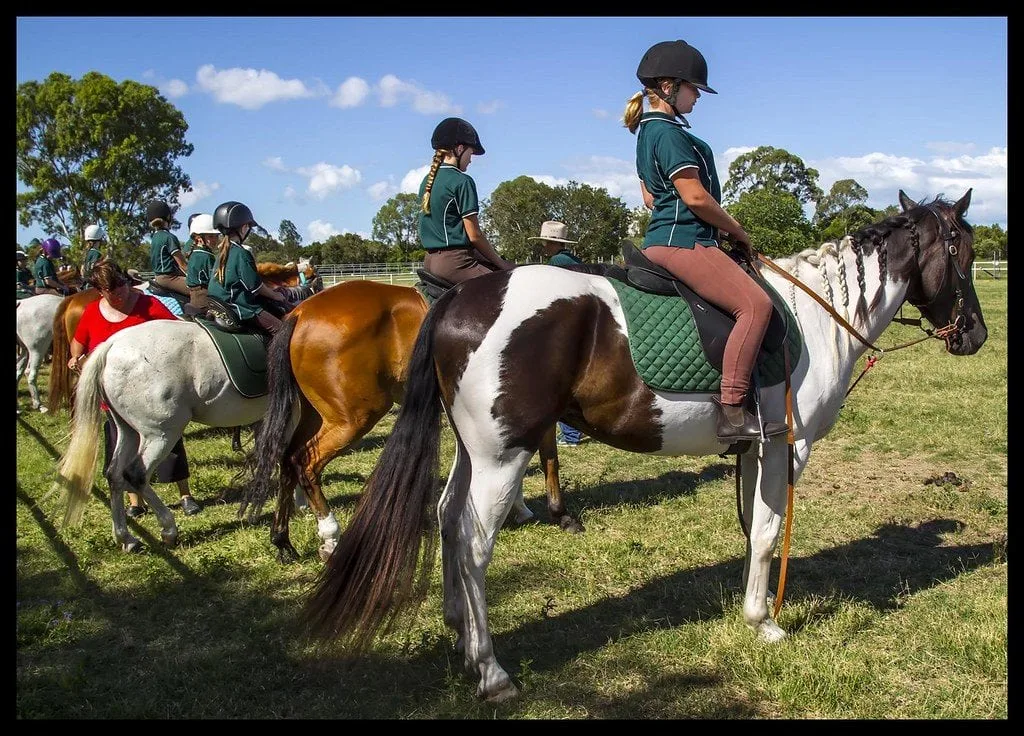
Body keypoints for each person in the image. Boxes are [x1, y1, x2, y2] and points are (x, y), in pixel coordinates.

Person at [624, 39, 786, 443]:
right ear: (668, 87)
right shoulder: (668, 133)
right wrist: (737, 230)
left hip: (662, 237)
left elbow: (649, 198)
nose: (698, 96)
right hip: (685, 239)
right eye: (694, 88)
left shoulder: (647, 132)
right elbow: (695, 197)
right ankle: (732, 412)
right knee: (755, 305)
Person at [67, 260, 201, 516]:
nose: (119, 293)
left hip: (156, 393)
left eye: (122, 285)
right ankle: (135, 503)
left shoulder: (149, 305)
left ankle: (185, 494)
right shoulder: (93, 312)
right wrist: (75, 359)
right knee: (121, 444)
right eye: (111, 290)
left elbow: (178, 334)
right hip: (117, 396)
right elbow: (78, 343)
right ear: (100, 291)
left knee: (171, 444)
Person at [419, 117, 514, 285]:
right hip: (456, 263)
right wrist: (501, 263)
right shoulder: (462, 181)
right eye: (470, 154)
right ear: (460, 149)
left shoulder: (427, 181)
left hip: (429, 261)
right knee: (506, 286)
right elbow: (474, 235)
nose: (470, 160)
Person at [529, 220, 586, 446]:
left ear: (550, 242)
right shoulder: (574, 260)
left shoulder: (556, 263)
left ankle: (571, 435)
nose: (544, 245)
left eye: (545, 241)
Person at [207, 200, 289, 338]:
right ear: (244, 227)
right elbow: (255, 287)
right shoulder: (241, 253)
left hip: (219, 304)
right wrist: (276, 296)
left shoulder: (222, 253)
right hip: (240, 307)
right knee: (283, 332)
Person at [146, 199, 190, 297]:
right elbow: (183, 265)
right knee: (200, 291)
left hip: (158, 277)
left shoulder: (155, 237)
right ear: (168, 217)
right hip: (170, 278)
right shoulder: (169, 237)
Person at [183, 213, 219, 318]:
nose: (215, 240)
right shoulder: (207, 256)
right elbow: (215, 282)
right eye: (211, 236)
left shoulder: (194, 254)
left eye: (216, 236)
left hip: (194, 299)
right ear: (199, 238)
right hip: (205, 300)